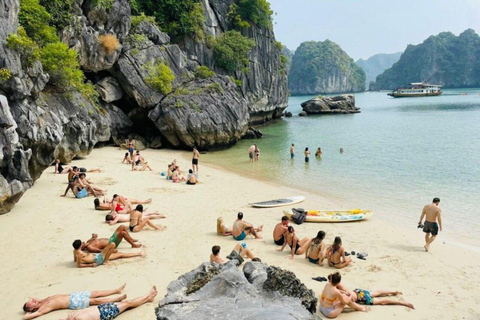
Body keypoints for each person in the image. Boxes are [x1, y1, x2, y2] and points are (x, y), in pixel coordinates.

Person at [22, 284, 127, 320]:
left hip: (73, 295)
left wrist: (32, 304)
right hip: (72, 302)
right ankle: (116, 299)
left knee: (96, 293)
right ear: (31, 308)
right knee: (95, 301)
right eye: (30, 303)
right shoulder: (42, 308)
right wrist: (30, 311)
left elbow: (31, 297)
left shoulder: (42, 301)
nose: (32, 300)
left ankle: (116, 290)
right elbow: (25, 317)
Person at [63, 286, 157, 320]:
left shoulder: (70, 318)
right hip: (104, 313)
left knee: (127, 304)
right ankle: (148, 295)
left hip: (100, 308)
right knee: (128, 303)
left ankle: (148, 299)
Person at [72, 240, 144, 268]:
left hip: (97, 257)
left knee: (120, 254)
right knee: (113, 245)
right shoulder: (80, 253)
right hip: (98, 259)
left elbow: (75, 260)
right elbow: (79, 265)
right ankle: (106, 261)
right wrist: (91, 265)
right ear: (80, 246)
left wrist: (83, 259)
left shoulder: (75, 251)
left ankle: (138, 253)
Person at [348, 288, 414, 309]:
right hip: (357, 291)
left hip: (360, 297)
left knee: (382, 301)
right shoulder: (340, 288)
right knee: (377, 293)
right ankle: (393, 292)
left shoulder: (339, 295)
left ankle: (402, 302)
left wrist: (360, 308)